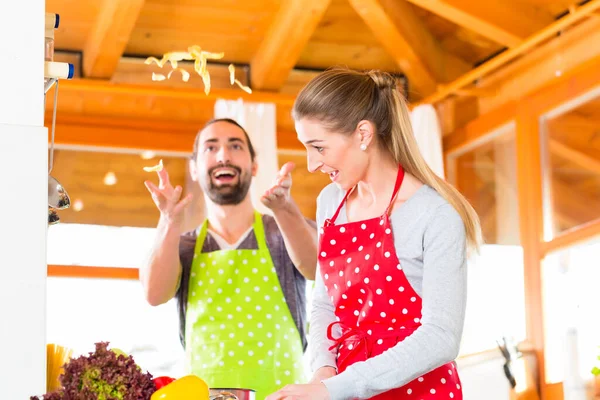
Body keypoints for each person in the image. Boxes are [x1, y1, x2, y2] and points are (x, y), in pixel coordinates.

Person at [266, 68, 482, 400]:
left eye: (319, 147)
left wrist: (336, 388)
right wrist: (323, 372)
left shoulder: (434, 214)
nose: (311, 164)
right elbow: (325, 303)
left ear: (363, 134)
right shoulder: (331, 202)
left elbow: (442, 337)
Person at [141, 118, 318, 399]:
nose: (223, 155)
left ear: (255, 165)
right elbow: (154, 293)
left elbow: (317, 268)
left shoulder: (282, 231)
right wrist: (168, 222)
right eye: (211, 148)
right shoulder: (183, 244)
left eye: (235, 146)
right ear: (194, 169)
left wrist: (285, 209)